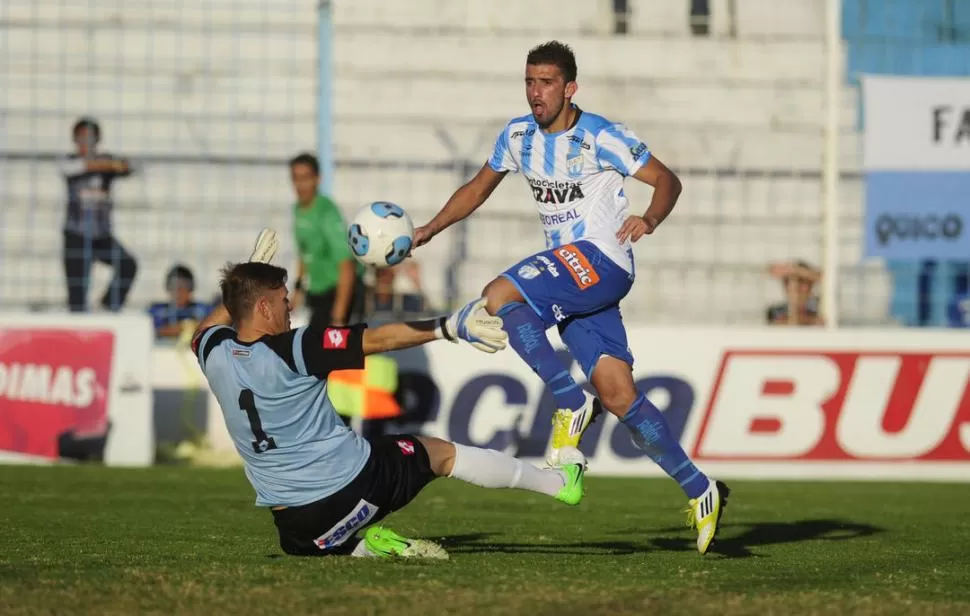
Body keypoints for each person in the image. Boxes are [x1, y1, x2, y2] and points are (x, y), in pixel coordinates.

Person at [412, 41, 727, 554]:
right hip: (575, 275)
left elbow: (667, 181)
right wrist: (429, 228)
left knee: (499, 294)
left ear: (570, 87)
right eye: (530, 82)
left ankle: (567, 399)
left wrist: (649, 218)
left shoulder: (601, 136)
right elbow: (477, 187)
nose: (536, 92)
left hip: (603, 261)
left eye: (547, 83)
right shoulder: (517, 136)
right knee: (619, 393)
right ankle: (701, 489)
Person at [191, 229, 587, 559]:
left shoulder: (214, 352)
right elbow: (378, 338)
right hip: (353, 487)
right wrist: (447, 327)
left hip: (295, 528)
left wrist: (239, 282)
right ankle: (559, 485)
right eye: (281, 299)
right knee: (440, 454)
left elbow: (204, 330)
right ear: (263, 307)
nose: (290, 304)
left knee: (310, 542)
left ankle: (365, 547)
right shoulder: (296, 348)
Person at [58, 116, 138, 312]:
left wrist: (116, 164)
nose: (87, 143)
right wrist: (106, 164)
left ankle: (107, 306)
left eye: (91, 138)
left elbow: (132, 167)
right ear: (75, 140)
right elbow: (70, 168)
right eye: (82, 138)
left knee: (128, 265)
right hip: (76, 235)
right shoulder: (70, 161)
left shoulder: (107, 162)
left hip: (101, 235)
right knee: (77, 293)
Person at [288, 153, 363, 328]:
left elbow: (346, 264)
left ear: (317, 179)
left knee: (324, 349)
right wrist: (297, 293)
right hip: (317, 293)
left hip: (338, 293)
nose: (300, 185)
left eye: (305, 178)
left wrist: (338, 317)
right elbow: (304, 254)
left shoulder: (327, 212)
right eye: (295, 178)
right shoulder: (298, 210)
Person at [148, 264, 213, 338]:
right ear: (168, 288)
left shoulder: (203, 309)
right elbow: (148, 331)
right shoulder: (157, 310)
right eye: (174, 286)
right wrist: (186, 327)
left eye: (183, 286)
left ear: (191, 288)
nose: (178, 291)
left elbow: (213, 326)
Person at [765, 261, 823, 326]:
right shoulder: (775, 311)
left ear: (811, 285)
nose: (796, 286)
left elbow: (826, 279)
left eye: (802, 280)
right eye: (788, 281)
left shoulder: (820, 307)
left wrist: (795, 270)